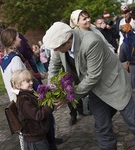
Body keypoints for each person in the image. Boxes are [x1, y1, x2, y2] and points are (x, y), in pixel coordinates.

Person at [42, 21, 135, 150]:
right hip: (94, 90)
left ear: (68, 42)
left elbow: (93, 76)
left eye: (57, 48)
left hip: (114, 84)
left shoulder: (91, 41)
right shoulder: (61, 44)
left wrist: (69, 96)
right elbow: (54, 66)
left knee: (132, 120)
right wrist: (52, 87)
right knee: (102, 127)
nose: (55, 51)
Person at [10, 69, 53, 150]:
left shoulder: (29, 94)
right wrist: (49, 105)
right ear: (18, 85)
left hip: (38, 138)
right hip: (35, 141)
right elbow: (38, 115)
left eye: (31, 80)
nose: (31, 83)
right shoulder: (24, 100)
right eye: (28, 81)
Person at [119, 23, 135, 90]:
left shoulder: (123, 45)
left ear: (124, 34)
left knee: (133, 77)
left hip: (132, 64)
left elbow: (121, 59)